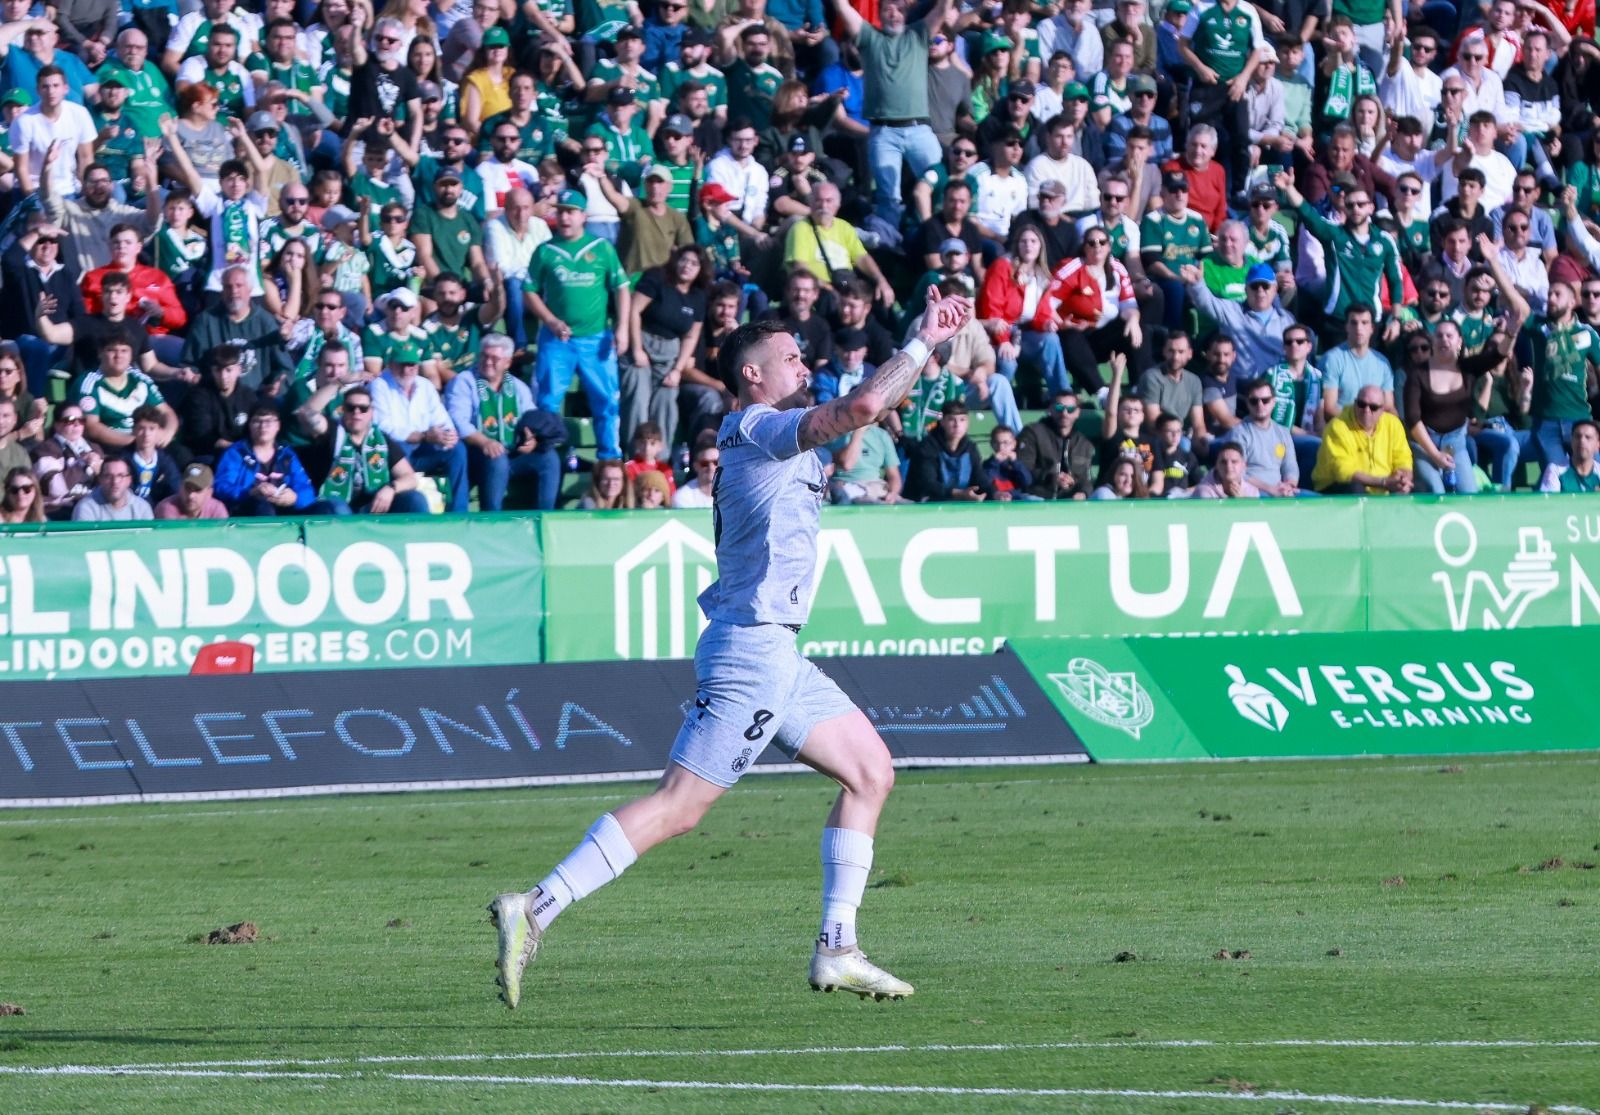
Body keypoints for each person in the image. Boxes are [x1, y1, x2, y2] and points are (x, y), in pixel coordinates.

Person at [487, 285, 974, 1008]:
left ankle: (837, 946)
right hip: (752, 651)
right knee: (680, 805)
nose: (801, 363)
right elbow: (864, 408)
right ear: (752, 374)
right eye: (787, 356)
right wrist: (922, 340)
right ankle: (538, 903)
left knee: (870, 772)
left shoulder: (780, 430)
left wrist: (916, 343)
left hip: (780, 653)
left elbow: (867, 402)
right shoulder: (752, 425)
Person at [832, 0, 958, 230]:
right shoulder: (870, 37)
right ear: (879, 14)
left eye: (899, 10)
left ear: (906, 13)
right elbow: (842, 7)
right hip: (883, 132)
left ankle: (941, 234)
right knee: (887, 197)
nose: (893, 14)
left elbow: (942, 8)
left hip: (919, 129)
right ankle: (891, 248)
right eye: (887, 9)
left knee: (940, 181)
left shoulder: (918, 34)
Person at [526, 188, 631, 460]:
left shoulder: (601, 248)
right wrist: (549, 320)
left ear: (583, 215)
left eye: (571, 212)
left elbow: (621, 288)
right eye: (560, 211)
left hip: (597, 337)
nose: (565, 217)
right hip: (556, 339)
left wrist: (621, 329)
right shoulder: (545, 251)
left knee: (606, 401)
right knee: (548, 400)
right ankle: (551, 457)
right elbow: (529, 290)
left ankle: (609, 458)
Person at [444, 333, 561, 511]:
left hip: (511, 452)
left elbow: (529, 417)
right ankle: (493, 518)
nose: (488, 362)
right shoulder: (464, 381)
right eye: (484, 356)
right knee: (496, 456)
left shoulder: (518, 387)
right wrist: (485, 442)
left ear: (507, 362)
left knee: (549, 458)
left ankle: (544, 516)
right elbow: (458, 421)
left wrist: (531, 439)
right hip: (475, 454)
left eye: (494, 358)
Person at [298, 383, 430, 515]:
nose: (357, 412)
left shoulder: (381, 440)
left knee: (415, 500)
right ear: (342, 410)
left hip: (373, 506)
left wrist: (391, 488)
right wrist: (338, 382)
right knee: (339, 510)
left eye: (363, 408)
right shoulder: (331, 431)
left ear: (371, 412)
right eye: (351, 408)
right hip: (334, 505)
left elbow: (410, 478)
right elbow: (307, 413)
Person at [626, 244, 707, 458]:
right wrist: (637, 350)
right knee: (638, 402)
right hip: (642, 344)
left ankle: (660, 462)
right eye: (684, 260)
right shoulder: (657, 278)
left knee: (667, 403)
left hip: (670, 354)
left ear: (701, 269)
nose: (687, 266)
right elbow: (634, 311)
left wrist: (678, 370)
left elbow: (691, 335)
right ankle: (634, 458)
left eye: (694, 263)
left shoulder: (698, 297)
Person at [370, 340, 470, 512]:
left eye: (412, 365)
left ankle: (459, 512)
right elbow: (383, 428)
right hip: (396, 453)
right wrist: (424, 436)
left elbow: (442, 420)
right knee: (399, 446)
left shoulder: (425, 386)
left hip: (424, 448)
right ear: (391, 364)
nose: (407, 369)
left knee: (457, 450)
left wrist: (447, 436)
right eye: (402, 364)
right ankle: (407, 502)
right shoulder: (379, 385)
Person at [212, 402, 315, 516]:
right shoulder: (236, 453)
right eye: (257, 421)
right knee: (263, 508)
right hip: (248, 511)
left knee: (331, 508)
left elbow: (306, 488)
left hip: (286, 510)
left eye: (269, 421)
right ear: (249, 425)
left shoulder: (287, 454)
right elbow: (220, 486)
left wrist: (295, 498)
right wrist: (250, 492)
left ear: (278, 426)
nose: (263, 426)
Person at [1312, 384, 1415, 494]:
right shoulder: (1337, 427)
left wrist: (1403, 479)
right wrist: (1384, 482)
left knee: (1419, 489)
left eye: (1373, 407)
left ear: (1382, 409)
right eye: (1361, 404)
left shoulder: (1393, 425)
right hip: (1337, 486)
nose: (1366, 410)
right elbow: (1343, 471)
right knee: (1355, 488)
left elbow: (1403, 459)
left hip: (1382, 485)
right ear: (1355, 403)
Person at [907, 398, 997, 502]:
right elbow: (928, 484)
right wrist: (960, 494)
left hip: (958, 501)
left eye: (962, 420)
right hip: (923, 504)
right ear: (942, 422)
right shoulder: (927, 447)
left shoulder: (970, 448)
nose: (957, 425)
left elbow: (980, 479)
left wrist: (995, 494)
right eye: (951, 419)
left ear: (967, 423)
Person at [1224, 378, 1300, 495]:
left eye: (1265, 400)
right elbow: (1237, 473)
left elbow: (1290, 466)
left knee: (1317, 502)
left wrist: (1289, 485)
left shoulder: (1283, 432)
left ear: (1274, 402)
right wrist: (1270, 489)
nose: (1260, 405)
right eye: (1254, 401)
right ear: (1247, 403)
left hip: (1281, 490)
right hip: (1253, 491)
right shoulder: (1239, 433)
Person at [1320, 303, 1394, 422]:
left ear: (1372, 329)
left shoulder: (1383, 363)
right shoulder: (1332, 359)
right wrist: (1361, 422)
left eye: (1364, 323)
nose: (1359, 328)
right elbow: (1329, 408)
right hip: (1342, 428)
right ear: (1347, 327)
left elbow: (1389, 407)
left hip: (1376, 430)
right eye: (1354, 323)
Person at [1016, 391, 1095, 500]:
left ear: (1077, 413)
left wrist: (1083, 493)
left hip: (1071, 498)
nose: (1064, 413)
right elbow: (1023, 468)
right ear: (1050, 409)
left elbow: (1087, 479)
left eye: (1070, 409)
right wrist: (1052, 477)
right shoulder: (1033, 433)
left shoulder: (1083, 443)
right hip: (1038, 495)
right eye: (1059, 408)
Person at [31, 405, 102, 519]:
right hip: (57, 512)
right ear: (57, 425)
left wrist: (100, 472)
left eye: (81, 420)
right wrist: (81, 464)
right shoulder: (45, 449)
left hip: (92, 510)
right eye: (70, 420)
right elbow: (55, 489)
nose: (77, 424)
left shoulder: (95, 449)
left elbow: (108, 487)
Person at [71, 456, 154, 520]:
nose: (115, 481)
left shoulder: (142, 508)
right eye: (108, 476)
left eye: (120, 476)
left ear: (129, 480)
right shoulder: (86, 508)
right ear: (100, 479)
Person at [1539, 420, 1600, 493]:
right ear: (1571, 441)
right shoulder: (1555, 471)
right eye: (1578, 436)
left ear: (1597, 445)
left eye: (1588, 437)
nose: (1582, 441)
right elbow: (1549, 502)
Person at [154, 461, 230, 519]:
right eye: (187, 488)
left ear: (209, 493)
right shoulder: (167, 508)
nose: (191, 496)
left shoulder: (217, 510)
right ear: (180, 487)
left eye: (197, 490)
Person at [1194, 442, 1262, 498]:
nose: (1228, 466)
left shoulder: (1252, 491)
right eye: (1223, 462)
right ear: (1216, 466)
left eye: (1234, 461)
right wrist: (1240, 504)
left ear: (1244, 466)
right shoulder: (1204, 490)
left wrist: (1245, 501)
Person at [672, 438, 720, 508]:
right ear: (695, 466)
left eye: (716, 462)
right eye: (704, 463)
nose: (711, 467)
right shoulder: (682, 497)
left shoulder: (733, 493)